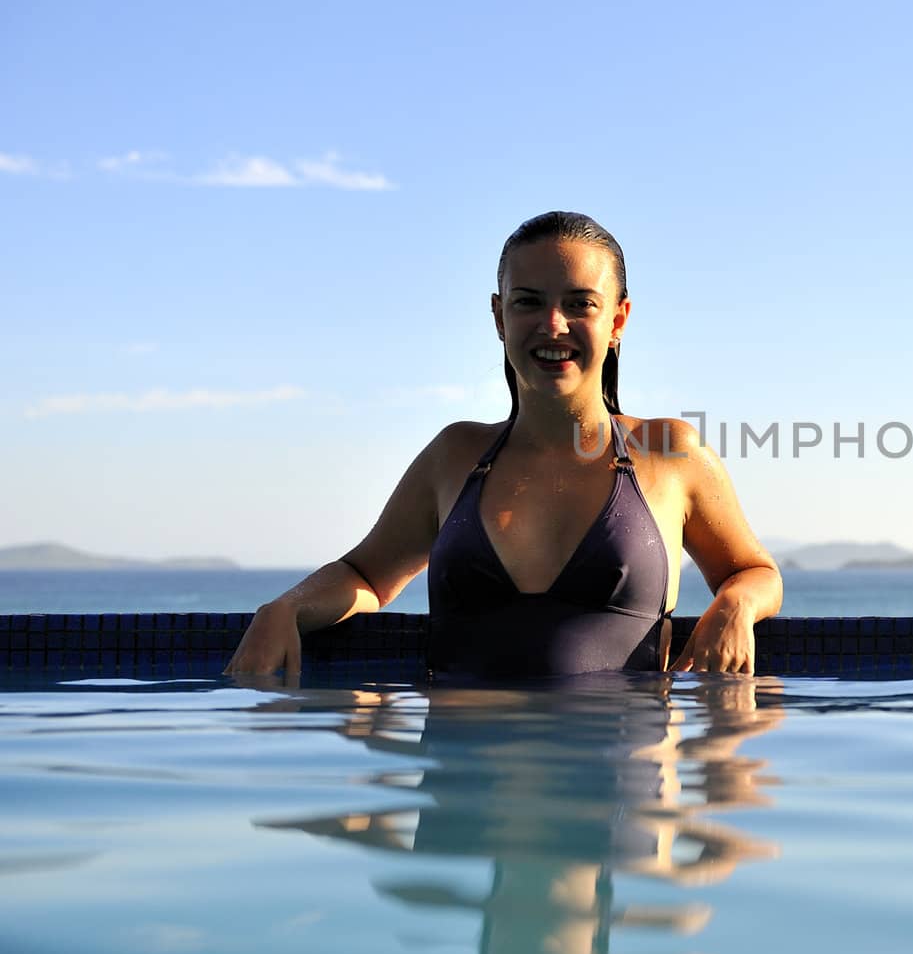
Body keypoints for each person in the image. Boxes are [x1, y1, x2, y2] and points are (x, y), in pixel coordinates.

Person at [224, 211, 782, 679]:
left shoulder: (667, 452)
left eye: (581, 304)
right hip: (466, 799)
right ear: (499, 315)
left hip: (621, 805)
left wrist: (736, 604)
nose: (553, 324)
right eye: (528, 302)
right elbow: (368, 576)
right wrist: (287, 608)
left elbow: (755, 572)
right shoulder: (454, 457)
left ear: (619, 319)